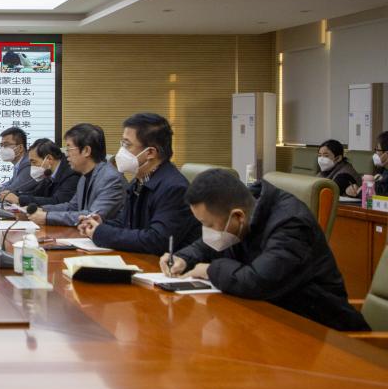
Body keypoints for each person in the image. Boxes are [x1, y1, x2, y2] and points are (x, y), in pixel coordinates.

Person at [162, 168, 369, 331]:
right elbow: (207, 244)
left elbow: (258, 281)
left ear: (238, 217)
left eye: (208, 225)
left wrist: (209, 270)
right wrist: (184, 257)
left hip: (321, 331)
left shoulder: (291, 226)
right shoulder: (244, 210)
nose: (206, 232)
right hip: (269, 321)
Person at [78, 113, 199, 255]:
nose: (121, 151)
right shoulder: (139, 181)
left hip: (164, 264)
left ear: (150, 152)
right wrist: (99, 223)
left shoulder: (174, 188)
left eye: (127, 145)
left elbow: (156, 240)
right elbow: (127, 224)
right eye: (122, 144)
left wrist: (101, 233)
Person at [30, 123, 125, 226]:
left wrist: (47, 217)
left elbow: (91, 217)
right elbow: (73, 207)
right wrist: (41, 209)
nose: (66, 155)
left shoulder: (110, 178)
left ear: (86, 151)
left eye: (69, 149)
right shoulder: (84, 176)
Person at [0, 138, 79, 214]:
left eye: (34, 162)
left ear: (49, 159)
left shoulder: (71, 174)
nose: (31, 166)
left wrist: (19, 200)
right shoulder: (49, 172)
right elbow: (37, 193)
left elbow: (57, 201)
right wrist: (15, 195)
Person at [345, 131, 388, 197]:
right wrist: (353, 190)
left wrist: (360, 191)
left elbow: (378, 192)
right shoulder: (382, 170)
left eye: (378, 150)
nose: (375, 153)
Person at [0, 126, 36, 195]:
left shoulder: (28, 164)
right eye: (1, 145)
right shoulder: (19, 163)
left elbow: (12, 190)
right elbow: (11, 182)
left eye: (6, 145)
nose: (2, 149)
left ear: (20, 148)